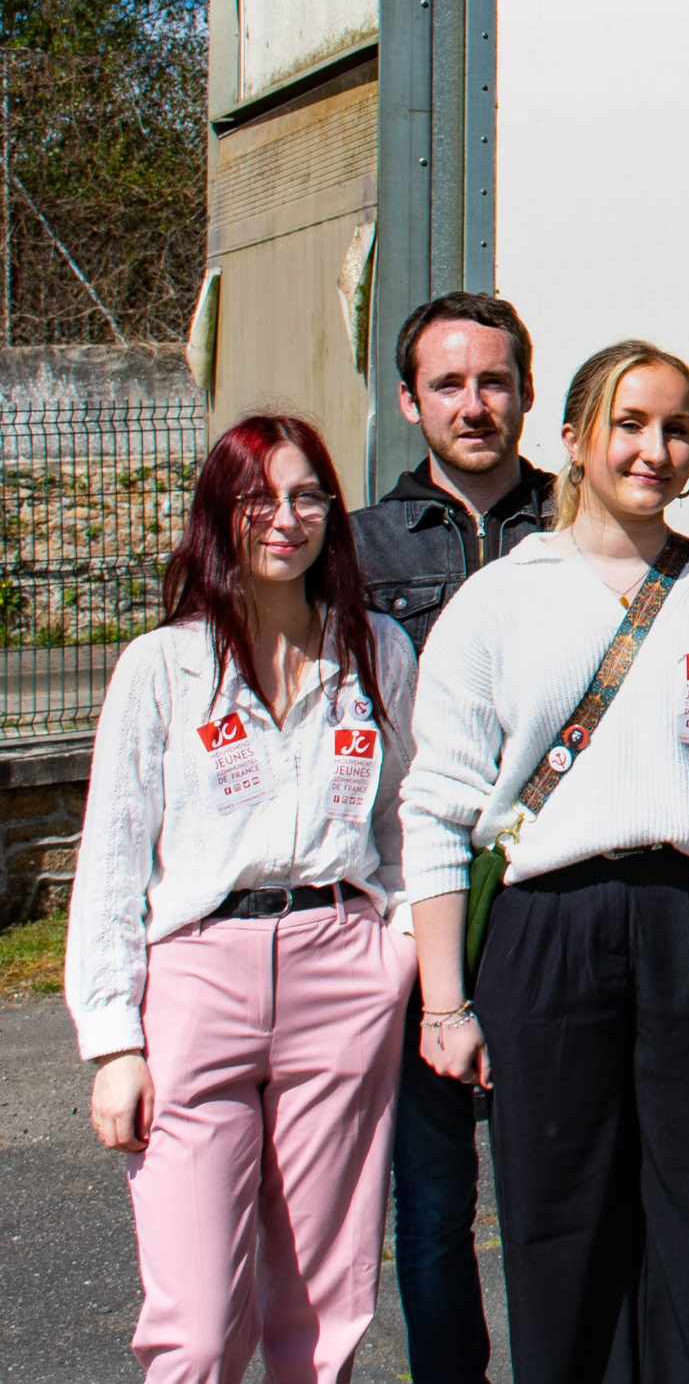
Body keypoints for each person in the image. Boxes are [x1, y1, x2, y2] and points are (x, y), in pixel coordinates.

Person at [400, 340, 689, 1384]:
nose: (654, 448)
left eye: (677, 428)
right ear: (574, 441)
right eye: (629, 424)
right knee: (559, 1223)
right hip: (550, 932)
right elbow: (438, 808)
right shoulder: (499, 600)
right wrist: (445, 1002)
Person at [65, 413, 419, 1382]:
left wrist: (395, 948)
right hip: (197, 976)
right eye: (259, 498)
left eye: (307, 496)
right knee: (198, 1323)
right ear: (219, 514)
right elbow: (113, 858)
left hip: (341, 970)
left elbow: (406, 820)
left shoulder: (377, 651)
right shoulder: (163, 667)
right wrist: (114, 1042)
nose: (285, 518)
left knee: (324, 1305)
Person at [350, 290, 552, 1384]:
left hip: (553, 903)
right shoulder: (357, 549)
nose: (474, 405)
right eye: (448, 384)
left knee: (561, 1184)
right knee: (431, 1202)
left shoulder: (580, 526)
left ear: (525, 392)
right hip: (419, 903)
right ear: (408, 401)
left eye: (493, 382)